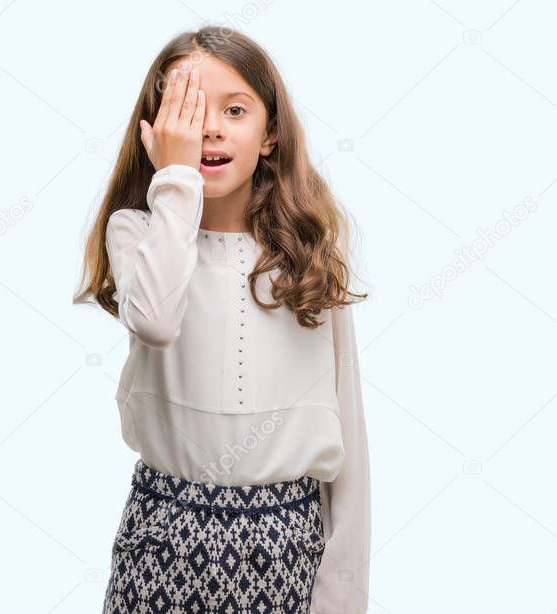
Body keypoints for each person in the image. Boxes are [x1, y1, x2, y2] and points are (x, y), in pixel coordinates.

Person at [73, 25, 371, 614]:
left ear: (271, 134)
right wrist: (177, 180)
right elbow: (156, 321)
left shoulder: (307, 255)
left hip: (285, 545)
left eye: (234, 109)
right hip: (162, 541)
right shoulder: (136, 234)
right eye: (187, 110)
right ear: (156, 132)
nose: (208, 127)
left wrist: (343, 591)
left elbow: (350, 429)